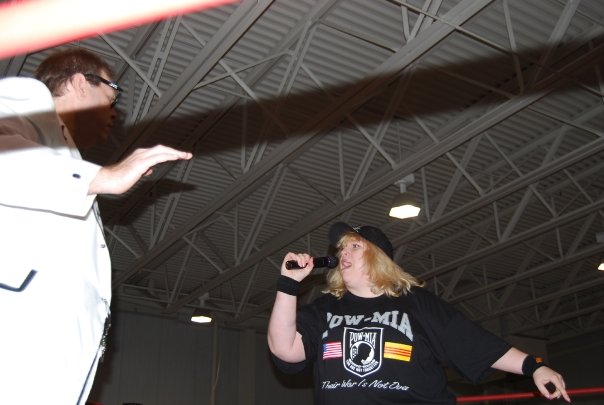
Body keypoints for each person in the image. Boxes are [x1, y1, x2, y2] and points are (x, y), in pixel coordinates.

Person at [0, 49, 192, 405]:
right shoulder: (27, 99)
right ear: (79, 83)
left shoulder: (60, 154)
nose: (114, 111)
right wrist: (103, 176)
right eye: (112, 94)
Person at [268, 222, 571, 404]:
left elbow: (473, 342)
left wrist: (534, 366)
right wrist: (288, 284)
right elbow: (284, 349)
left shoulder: (414, 304)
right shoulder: (324, 310)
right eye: (341, 249)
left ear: (378, 258)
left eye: (354, 247)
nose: (342, 253)